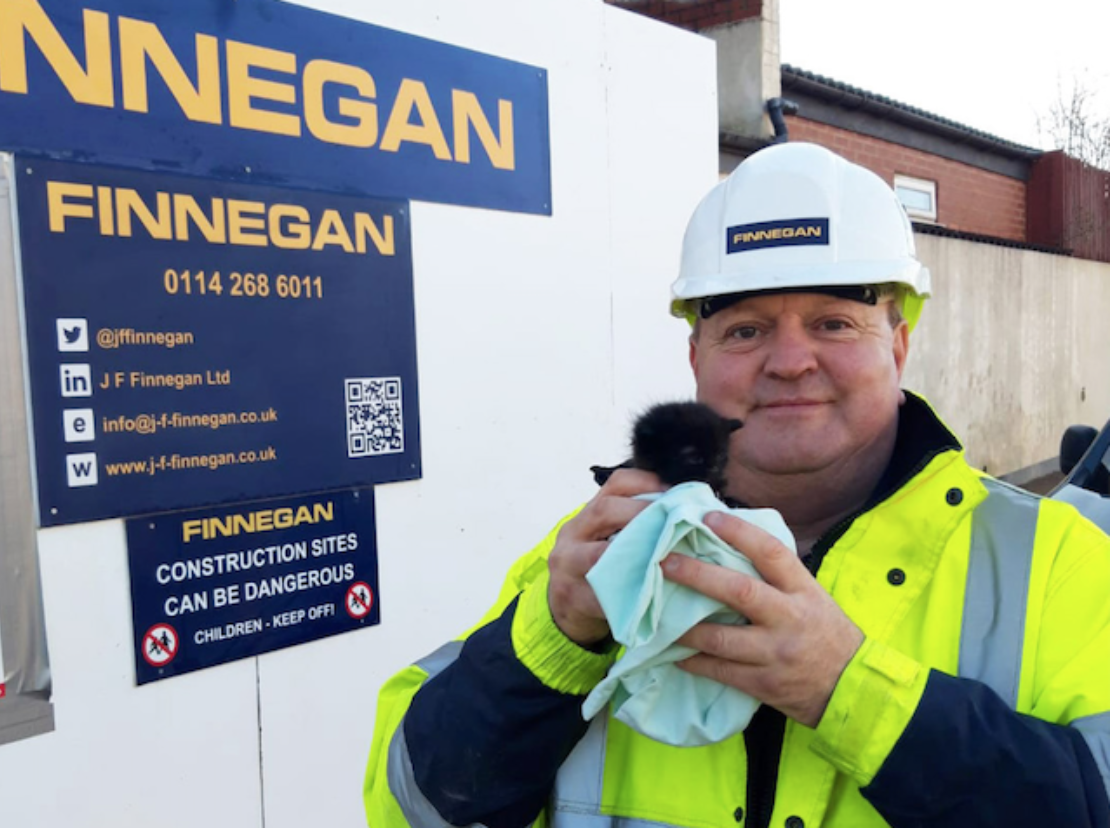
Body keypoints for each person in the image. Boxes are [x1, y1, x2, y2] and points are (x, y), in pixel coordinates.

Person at [364, 142, 1110, 828]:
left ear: (900, 343)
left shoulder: (1055, 563)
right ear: (697, 357)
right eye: (745, 329)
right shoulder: (593, 556)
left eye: (833, 323)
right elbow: (413, 806)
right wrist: (553, 645)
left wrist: (848, 692)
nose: (789, 361)